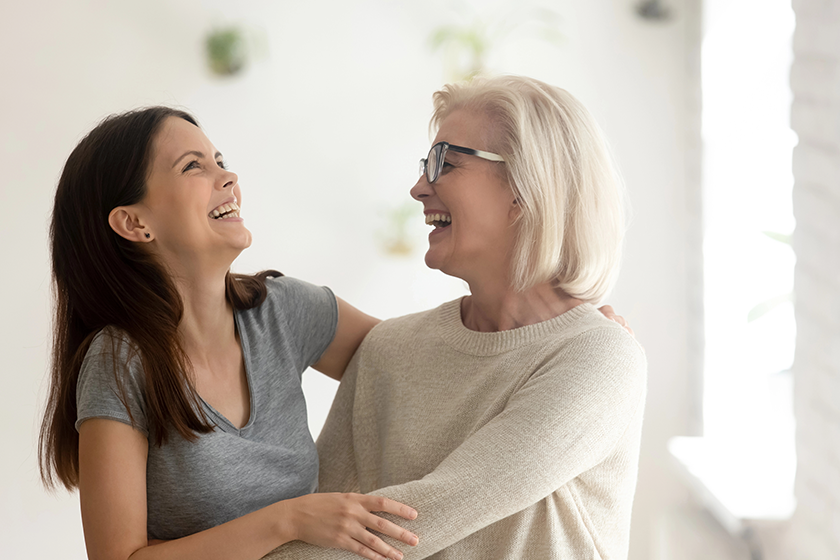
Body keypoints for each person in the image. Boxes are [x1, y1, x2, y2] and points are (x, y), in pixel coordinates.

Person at [263, 75, 646, 560]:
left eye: (445, 162)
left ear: (526, 187)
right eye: (426, 164)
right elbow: (322, 518)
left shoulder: (599, 355)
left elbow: (405, 525)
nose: (419, 187)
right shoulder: (388, 349)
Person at [38, 107, 421, 560]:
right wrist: (290, 519)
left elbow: (410, 366)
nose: (228, 176)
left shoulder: (282, 310)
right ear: (135, 224)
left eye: (219, 160)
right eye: (193, 166)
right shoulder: (121, 362)